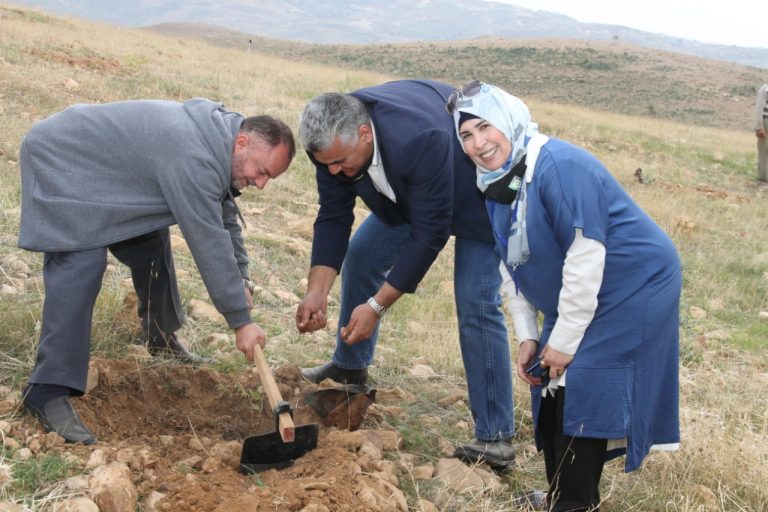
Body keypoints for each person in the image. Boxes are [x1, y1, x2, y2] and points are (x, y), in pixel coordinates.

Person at [449, 81, 681, 511]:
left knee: (584, 379)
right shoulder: (496, 182)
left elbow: (586, 255)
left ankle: (573, 504)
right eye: (466, 135)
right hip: (582, 288)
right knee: (549, 379)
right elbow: (510, 264)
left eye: (485, 127)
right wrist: (529, 335)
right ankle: (562, 495)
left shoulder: (559, 166)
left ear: (510, 121)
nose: (479, 143)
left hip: (634, 282)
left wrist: (565, 339)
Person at [18, 98, 295, 444]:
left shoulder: (223, 140)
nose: (262, 183)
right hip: (61, 157)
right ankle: (47, 389)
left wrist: (242, 278)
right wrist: (240, 320)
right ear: (243, 142)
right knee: (81, 261)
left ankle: (160, 338)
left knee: (150, 243)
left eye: (269, 177)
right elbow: (208, 240)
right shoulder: (194, 156)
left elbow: (224, 212)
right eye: (262, 171)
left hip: (106, 171)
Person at [295, 80, 517, 469]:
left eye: (340, 162)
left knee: (475, 301)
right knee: (362, 256)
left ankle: (495, 437)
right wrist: (317, 291)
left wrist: (377, 306)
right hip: (411, 192)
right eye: (325, 163)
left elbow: (430, 234)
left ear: (365, 135)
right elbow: (332, 216)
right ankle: (349, 368)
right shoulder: (331, 143)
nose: (332, 170)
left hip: (479, 193)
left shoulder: (418, 138)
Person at [754, 83, 768, 183]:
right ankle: (763, 177)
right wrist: (759, 127)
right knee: (763, 149)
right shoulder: (765, 89)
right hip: (766, 120)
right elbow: (759, 107)